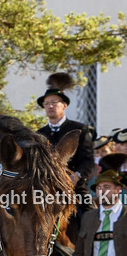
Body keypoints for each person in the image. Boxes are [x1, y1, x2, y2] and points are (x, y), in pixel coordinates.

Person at [36, 73, 95, 217]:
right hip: (47, 188)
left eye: (54, 102)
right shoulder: (38, 134)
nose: (50, 106)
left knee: (90, 215)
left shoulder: (80, 129)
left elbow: (88, 160)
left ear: (64, 105)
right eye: (47, 103)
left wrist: (77, 176)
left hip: (74, 186)